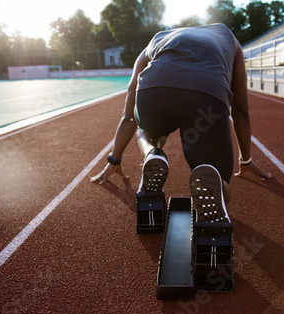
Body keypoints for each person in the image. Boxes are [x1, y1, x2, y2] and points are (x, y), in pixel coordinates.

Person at [92, 23, 271, 224]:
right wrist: (245, 159)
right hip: (205, 98)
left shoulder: (158, 38)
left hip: (154, 91)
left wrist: (114, 160)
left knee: (143, 129)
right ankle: (212, 185)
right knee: (217, 181)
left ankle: (152, 152)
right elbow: (240, 109)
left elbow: (129, 113)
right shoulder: (230, 39)